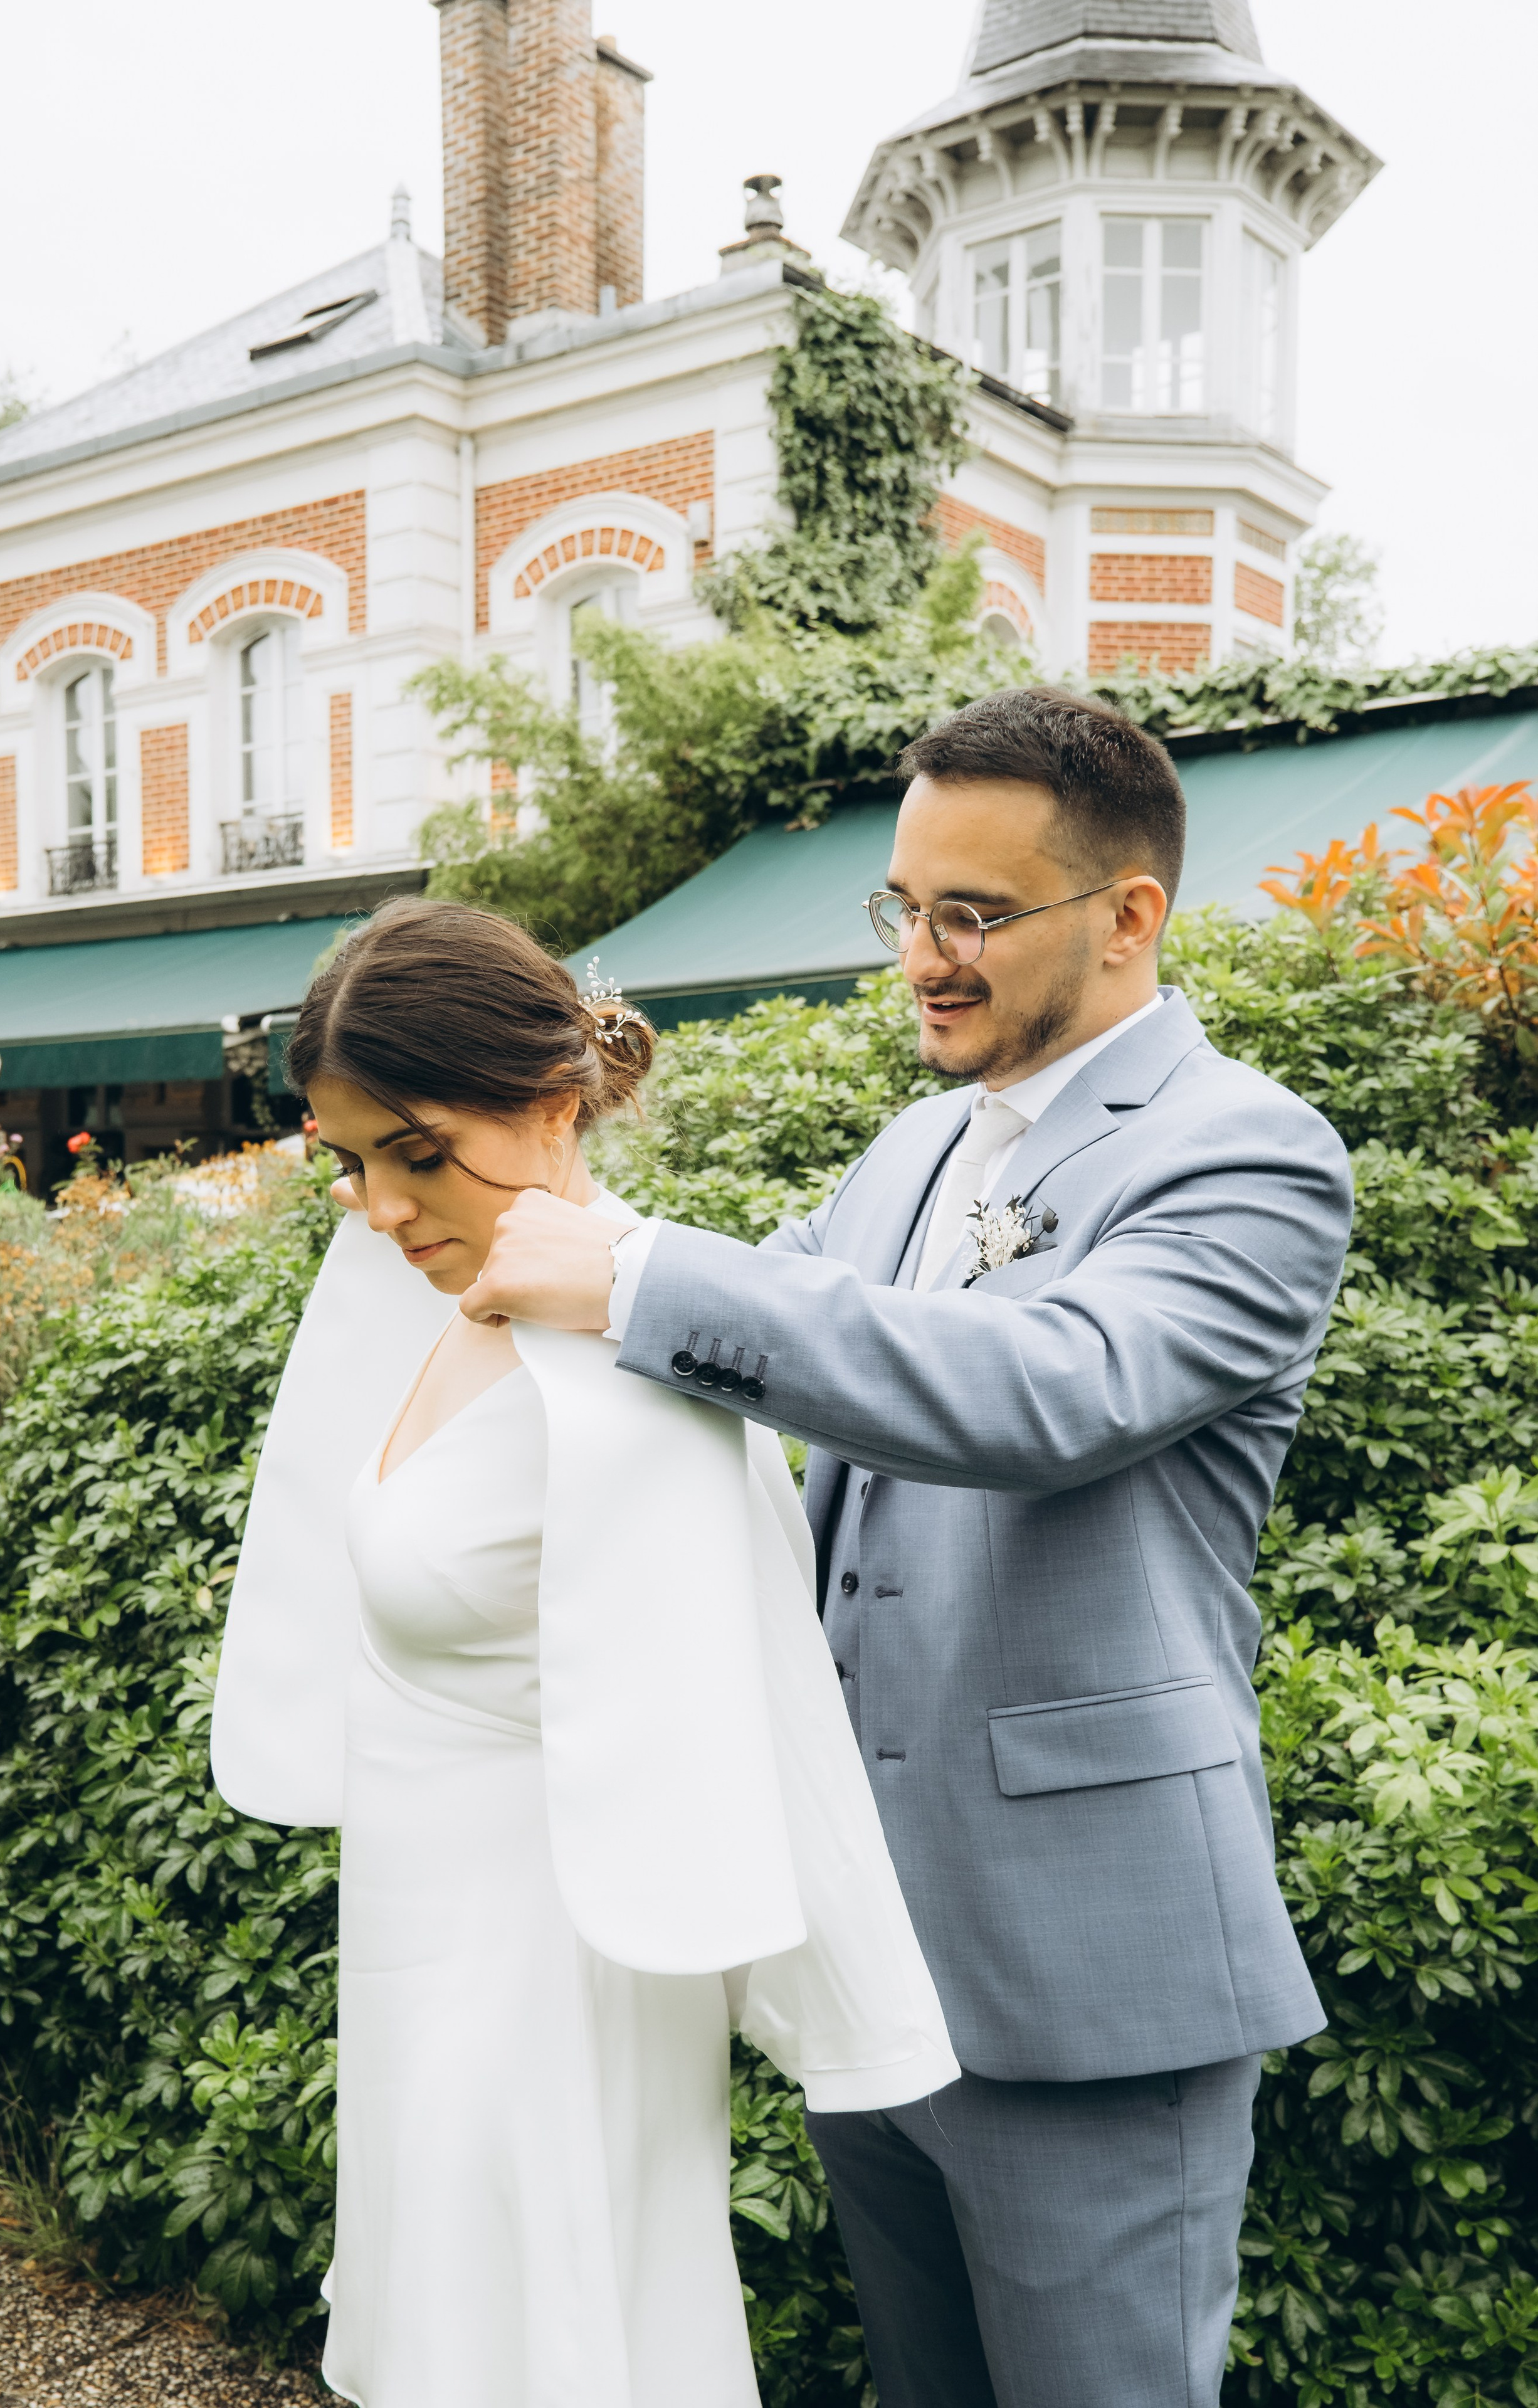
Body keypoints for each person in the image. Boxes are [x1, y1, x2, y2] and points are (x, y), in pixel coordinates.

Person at [458, 686, 1356, 2408]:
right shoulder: (920, 1145)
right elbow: (739, 1336)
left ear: (1130, 915)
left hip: (1093, 1983)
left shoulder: (1249, 1153)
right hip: (870, 1950)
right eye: (905, 907)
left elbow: (1050, 1387)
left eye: (974, 914)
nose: (922, 957)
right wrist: (522, 1183)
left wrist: (633, 1278)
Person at [208, 900, 959, 2408]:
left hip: (552, 1973)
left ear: (552, 1104)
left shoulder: (636, 1367)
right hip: (418, 1942)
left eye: (416, 1155)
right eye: (347, 1163)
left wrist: (850, 2017)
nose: (378, 1207)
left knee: (548, 2343)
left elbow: (755, 1678)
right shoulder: (410, 1289)